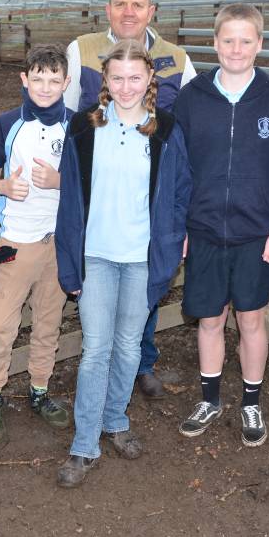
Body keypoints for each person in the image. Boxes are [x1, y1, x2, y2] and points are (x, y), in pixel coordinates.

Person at [53, 40, 190, 488]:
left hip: (140, 259)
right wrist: (69, 262)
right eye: (117, 78)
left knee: (129, 347)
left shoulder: (166, 129)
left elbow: (179, 193)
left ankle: (115, 420)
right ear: (104, 82)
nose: (126, 86)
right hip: (96, 255)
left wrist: (170, 248)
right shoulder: (84, 127)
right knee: (96, 350)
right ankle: (84, 444)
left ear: (150, 79)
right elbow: (70, 199)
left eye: (135, 77)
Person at [172, 4, 269, 446]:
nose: (237, 49)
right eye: (228, 40)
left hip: (256, 233)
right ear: (214, 43)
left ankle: (250, 403)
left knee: (250, 319)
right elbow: (179, 166)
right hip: (204, 229)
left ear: (260, 45)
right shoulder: (193, 97)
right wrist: (182, 223)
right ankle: (210, 399)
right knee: (209, 319)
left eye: (246, 40)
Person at [63, 0, 196, 398]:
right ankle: (104, 364)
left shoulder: (177, 58)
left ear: (152, 11)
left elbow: (186, 124)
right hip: (100, 191)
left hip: (148, 194)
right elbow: (67, 116)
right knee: (99, 289)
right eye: (120, 3)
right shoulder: (81, 50)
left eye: (138, 4)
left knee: (146, 280)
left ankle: (142, 361)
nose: (128, 12)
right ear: (107, 9)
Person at [0, 44, 76, 444]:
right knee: (2, 322)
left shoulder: (79, 124)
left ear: (66, 82)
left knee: (48, 321)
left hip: (60, 241)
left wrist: (61, 182)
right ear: (24, 79)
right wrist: (2, 186)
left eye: (55, 80)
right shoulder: (5, 124)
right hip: (15, 241)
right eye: (38, 78)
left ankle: (39, 390)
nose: (46, 87)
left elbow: (90, 182)